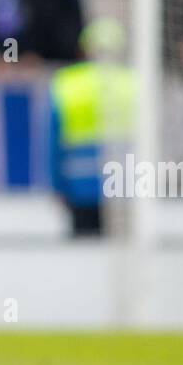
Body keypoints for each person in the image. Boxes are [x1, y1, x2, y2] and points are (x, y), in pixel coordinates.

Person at [49, 18, 137, 236]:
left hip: (80, 185)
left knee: (85, 257)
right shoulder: (135, 83)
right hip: (124, 187)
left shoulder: (66, 83)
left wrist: (56, 185)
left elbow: (52, 142)